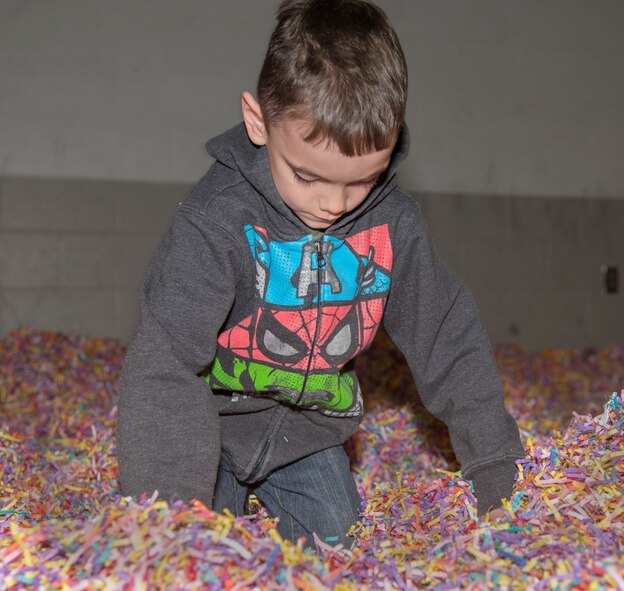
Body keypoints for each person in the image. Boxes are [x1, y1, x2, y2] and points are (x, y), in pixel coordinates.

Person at [116, 0, 524, 546]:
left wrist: (497, 471)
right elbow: (165, 361)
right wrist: (170, 523)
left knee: (339, 546)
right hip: (211, 426)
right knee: (207, 550)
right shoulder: (217, 219)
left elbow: (448, 339)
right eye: (308, 177)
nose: (334, 203)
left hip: (307, 435)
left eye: (363, 181)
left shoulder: (392, 225)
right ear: (258, 122)